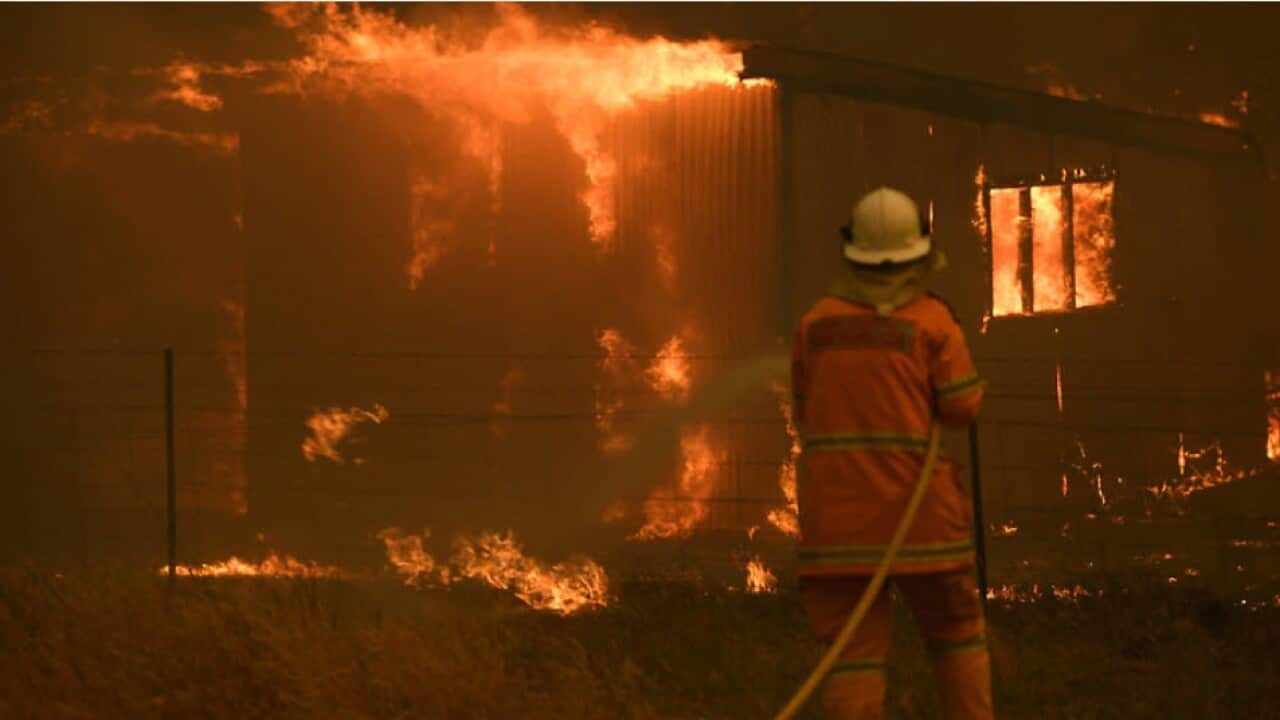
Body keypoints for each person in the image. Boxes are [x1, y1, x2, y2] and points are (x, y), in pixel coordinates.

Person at [790, 187, 992, 719]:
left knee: (851, 658)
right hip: (921, 520)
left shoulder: (815, 324)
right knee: (957, 634)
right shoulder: (932, 322)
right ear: (918, 253)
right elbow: (962, 407)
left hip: (837, 527)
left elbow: (804, 409)